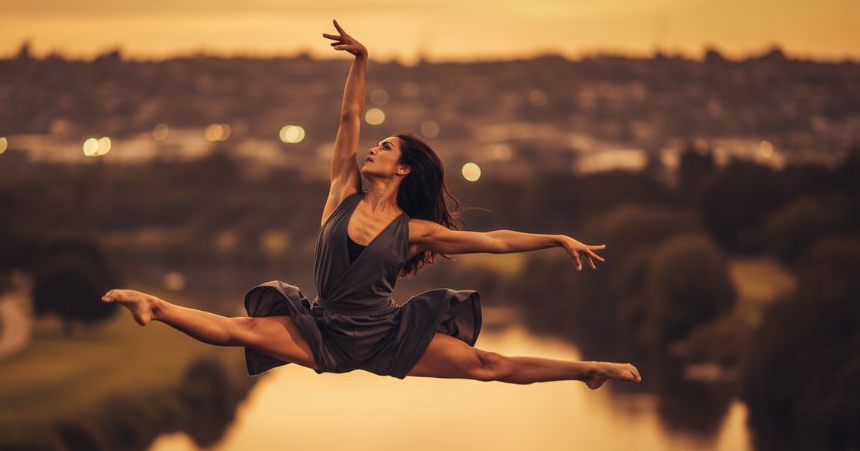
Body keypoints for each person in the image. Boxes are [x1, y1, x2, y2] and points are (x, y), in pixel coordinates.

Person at [102, 20, 642, 390]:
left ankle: (589, 369)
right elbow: (349, 121)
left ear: (402, 169)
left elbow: (496, 241)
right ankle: (152, 303)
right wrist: (362, 61)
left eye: (386, 148)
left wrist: (558, 239)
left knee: (487, 365)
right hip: (324, 330)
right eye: (377, 144)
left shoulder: (414, 230)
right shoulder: (341, 191)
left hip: (387, 336)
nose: (373, 149)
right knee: (235, 329)